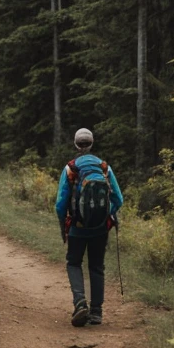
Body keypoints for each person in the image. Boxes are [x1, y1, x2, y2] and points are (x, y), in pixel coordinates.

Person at [55, 127, 123, 327]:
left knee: (74, 263)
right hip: (100, 228)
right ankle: (96, 312)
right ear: (92, 144)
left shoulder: (70, 168)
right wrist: (106, 215)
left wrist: (64, 223)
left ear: (76, 145)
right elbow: (118, 198)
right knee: (96, 266)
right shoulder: (104, 168)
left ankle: (79, 302)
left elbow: (60, 203)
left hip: (77, 227)